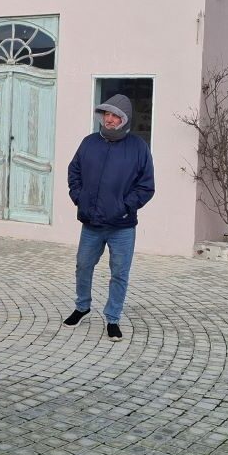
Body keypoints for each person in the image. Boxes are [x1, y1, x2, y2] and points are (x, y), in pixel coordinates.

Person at [63, 94, 155, 342]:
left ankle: (113, 319)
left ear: (124, 120)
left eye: (116, 116)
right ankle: (82, 307)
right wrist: (79, 197)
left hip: (122, 225)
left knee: (119, 273)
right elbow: (74, 172)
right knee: (83, 266)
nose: (110, 119)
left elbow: (146, 186)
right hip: (91, 224)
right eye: (107, 114)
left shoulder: (138, 147)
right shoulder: (89, 142)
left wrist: (125, 207)